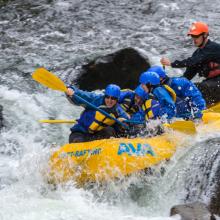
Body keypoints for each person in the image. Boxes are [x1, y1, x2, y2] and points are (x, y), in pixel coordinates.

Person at [160, 21, 220, 105]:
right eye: (192, 36)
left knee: (198, 88)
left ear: (205, 35)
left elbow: (192, 61)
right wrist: (171, 84)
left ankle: (200, 108)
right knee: (185, 87)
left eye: (196, 36)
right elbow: (186, 77)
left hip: (217, 83)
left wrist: (171, 64)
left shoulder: (213, 48)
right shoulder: (197, 54)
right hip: (212, 83)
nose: (194, 39)